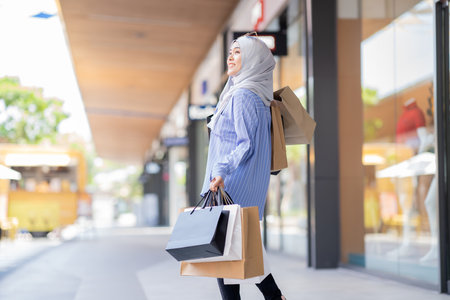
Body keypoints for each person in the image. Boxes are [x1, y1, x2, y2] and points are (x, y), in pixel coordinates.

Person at [200, 33, 286, 300]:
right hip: (233, 184)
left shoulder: (244, 96)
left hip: (232, 184)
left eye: (238, 52)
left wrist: (221, 170)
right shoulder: (249, 95)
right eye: (231, 52)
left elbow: (245, 144)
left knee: (236, 254)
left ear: (253, 60)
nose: (231, 57)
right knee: (231, 256)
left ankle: (276, 297)